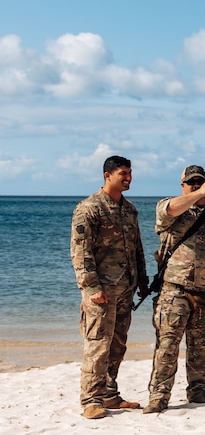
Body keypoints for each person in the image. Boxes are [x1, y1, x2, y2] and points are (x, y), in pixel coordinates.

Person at [70, 155, 148, 419]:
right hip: (101, 291)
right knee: (97, 344)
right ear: (108, 175)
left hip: (126, 287)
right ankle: (90, 400)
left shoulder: (129, 209)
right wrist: (91, 287)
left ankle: (110, 395)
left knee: (118, 345)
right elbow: (81, 252)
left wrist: (143, 279)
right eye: (123, 174)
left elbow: (137, 247)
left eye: (130, 173)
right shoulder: (89, 208)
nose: (128, 178)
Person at [144, 165, 205, 413]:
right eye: (191, 182)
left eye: (199, 181)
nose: (195, 185)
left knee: (201, 347)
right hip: (175, 290)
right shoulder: (171, 208)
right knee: (167, 346)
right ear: (183, 185)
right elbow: (171, 209)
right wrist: (200, 192)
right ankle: (158, 397)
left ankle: (198, 391)